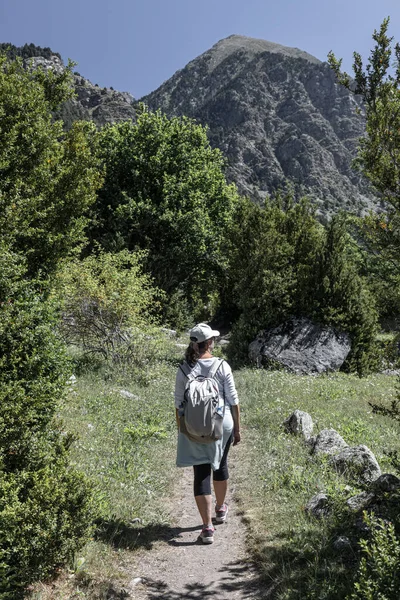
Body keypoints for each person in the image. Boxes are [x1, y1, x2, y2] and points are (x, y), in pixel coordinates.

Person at [174, 323, 241, 544]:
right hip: (222, 425)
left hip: (193, 427)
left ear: (193, 344)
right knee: (220, 465)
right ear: (210, 343)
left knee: (201, 472)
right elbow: (233, 400)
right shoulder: (222, 366)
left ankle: (207, 527)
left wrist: (182, 430)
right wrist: (237, 429)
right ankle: (221, 509)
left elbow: (178, 405)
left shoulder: (184, 369)